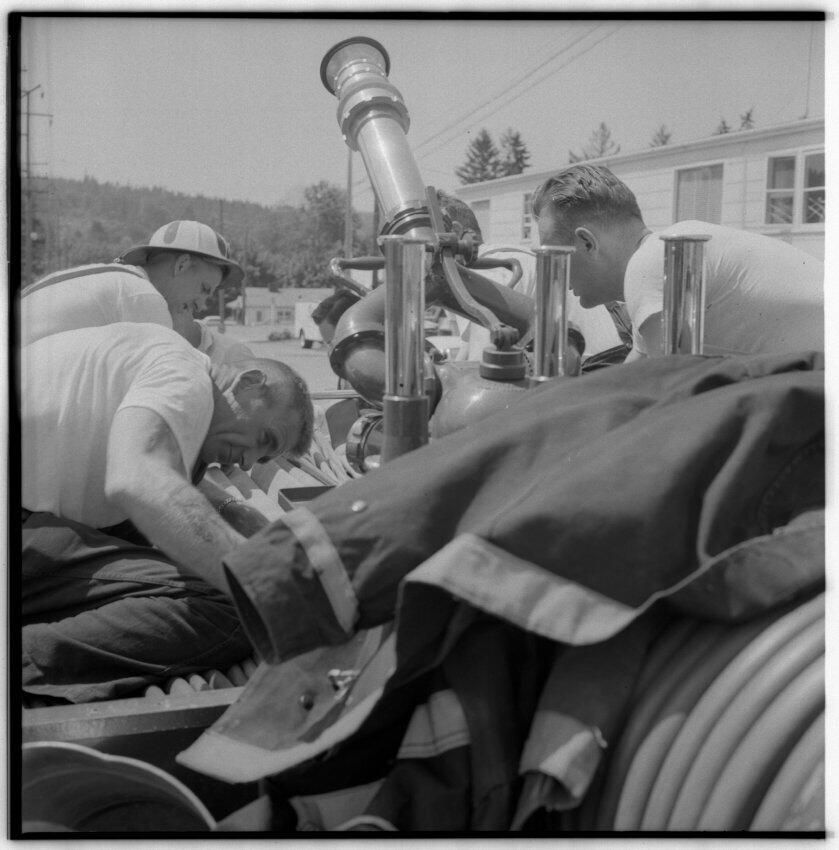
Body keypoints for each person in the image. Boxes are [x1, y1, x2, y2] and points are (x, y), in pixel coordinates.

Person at [21, 321, 314, 703]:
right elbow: (137, 479)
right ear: (249, 383)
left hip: (34, 535)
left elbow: (156, 477)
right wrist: (269, 583)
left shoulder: (169, 382)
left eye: (262, 458)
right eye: (264, 439)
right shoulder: (185, 373)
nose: (246, 462)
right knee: (236, 605)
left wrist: (235, 513)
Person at [531, 164, 824, 359]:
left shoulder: (652, 264)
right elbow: (634, 374)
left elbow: (667, 390)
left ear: (587, 243)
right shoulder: (661, 258)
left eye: (557, 256)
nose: (559, 278)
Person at [431, 191, 624, 368]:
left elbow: (480, 364)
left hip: (587, 370)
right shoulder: (509, 256)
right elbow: (466, 351)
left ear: (455, 232)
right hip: (598, 364)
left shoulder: (490, 270)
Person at [19, 219, 246, 362]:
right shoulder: (144, 298)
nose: (201, 305)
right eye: (204, 289)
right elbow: (174, 376)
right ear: (182, 265)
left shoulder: (120, 280)